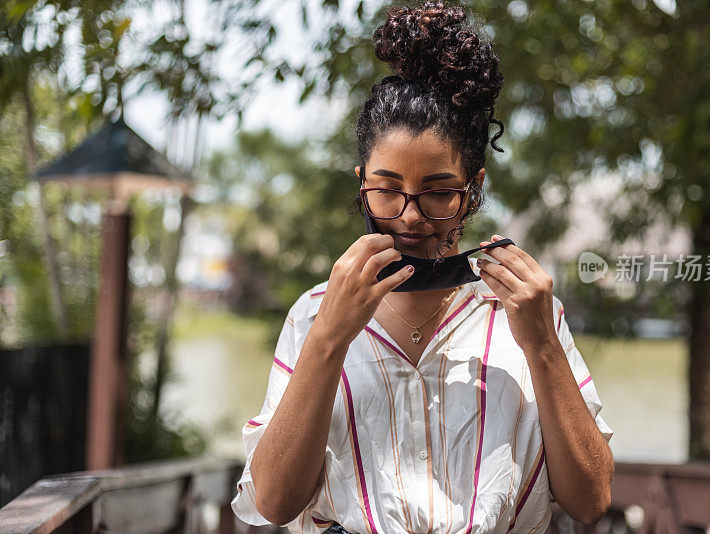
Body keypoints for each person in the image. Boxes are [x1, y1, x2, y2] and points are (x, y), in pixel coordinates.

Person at [231, 2, 614, 532]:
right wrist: (329, 338)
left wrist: (542, 346)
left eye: (437, 193)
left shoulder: (523, 311)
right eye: (387, 190)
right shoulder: (314, 314)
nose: (410, 218)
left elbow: (592, 500)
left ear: (473, 189)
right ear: (361, 180)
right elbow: (272, 503)